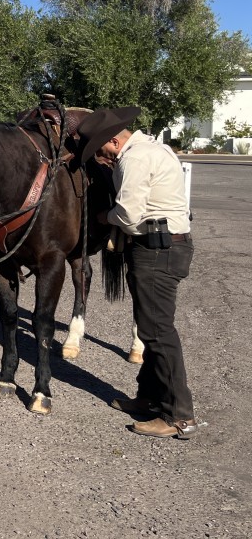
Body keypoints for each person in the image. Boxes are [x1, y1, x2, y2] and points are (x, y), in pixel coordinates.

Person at [76, 106, 199, 439]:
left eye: (102, 152)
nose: (103, 158)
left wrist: (104, 217)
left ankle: (178, 416)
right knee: (150, 327)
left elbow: (129, 215)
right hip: (164, 247)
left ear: (114, 141)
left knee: (158, 332)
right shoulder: (155, 149)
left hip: (157, 250)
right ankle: (149, 398)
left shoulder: (135, 158)